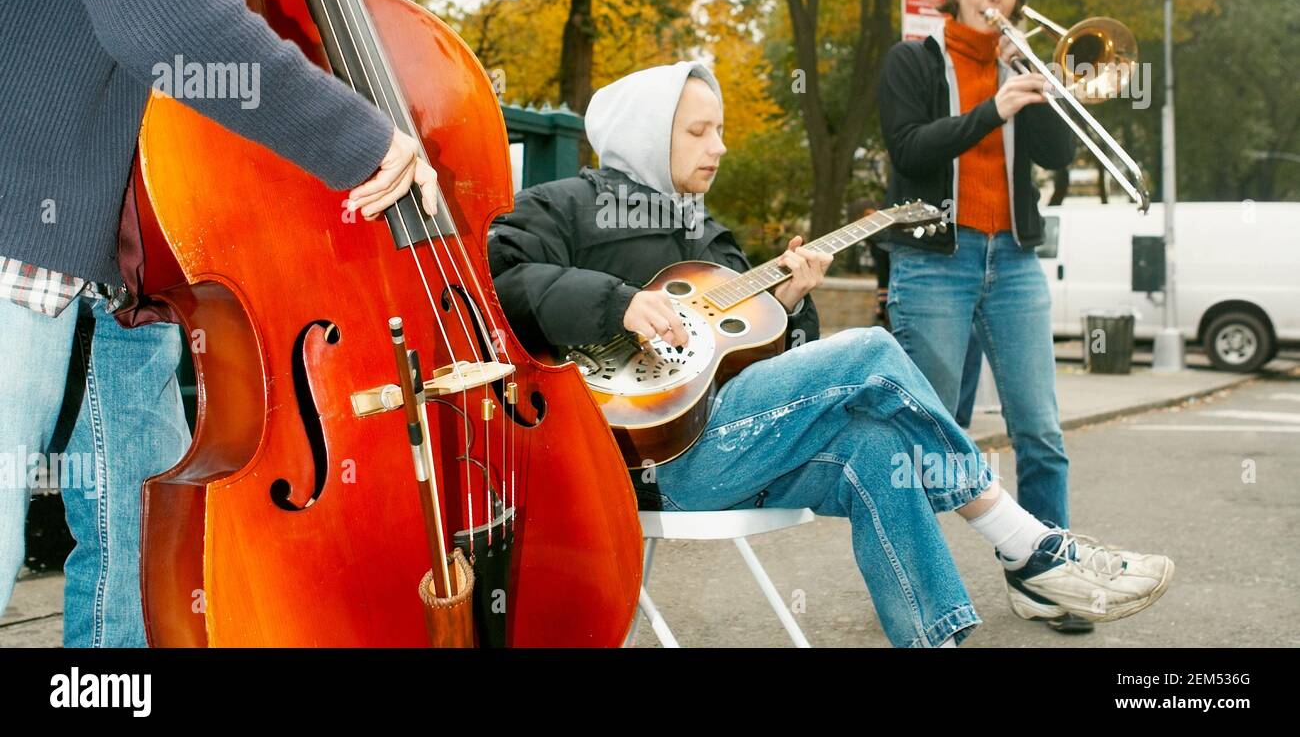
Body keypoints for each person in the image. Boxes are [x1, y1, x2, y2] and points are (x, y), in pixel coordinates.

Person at [487, 60, 1174, 646]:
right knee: (872, 349)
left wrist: (786, 305)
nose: (719, 146)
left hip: (730, 444)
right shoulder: (565, 205)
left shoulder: (715, 241)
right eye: (698, 131)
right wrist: (619, 302)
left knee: (874, 448)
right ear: (642, 135)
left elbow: (760, 367)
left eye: (721, 129)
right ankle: (1025, 542)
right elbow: (501, 277)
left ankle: (936, 638)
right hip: (630, 458)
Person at [0, 0, 437, 645]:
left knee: (142, 587)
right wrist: (367, 142)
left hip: (135, 265)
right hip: (19, 243)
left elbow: (242, 21)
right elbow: (164, 16)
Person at [877, 0, 1089, 631]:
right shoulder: (912, 60)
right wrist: (994, 108)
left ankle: (1046, 576)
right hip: (936, 260)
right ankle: (922, 589)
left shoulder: (1019, 62)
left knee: (1041, 429)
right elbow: (909, 150)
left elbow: (1058, 158)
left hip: (1015, 260)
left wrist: (1039, 86)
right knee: (930, 433)